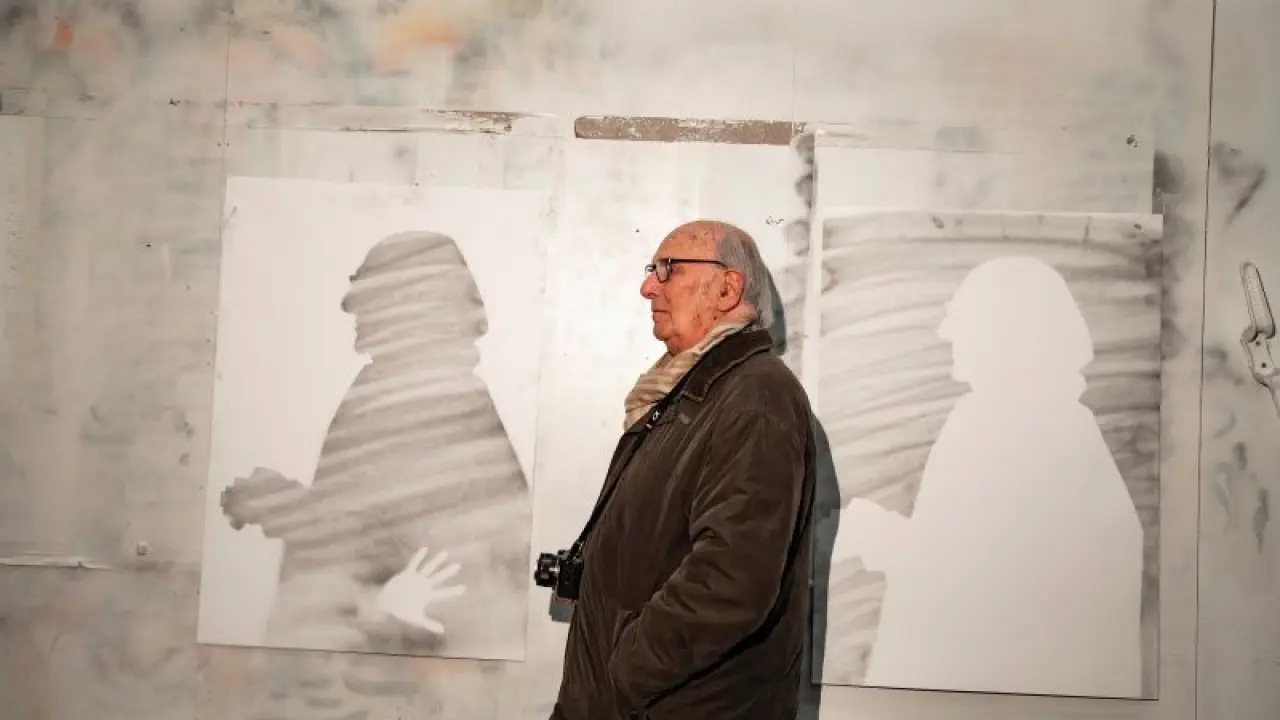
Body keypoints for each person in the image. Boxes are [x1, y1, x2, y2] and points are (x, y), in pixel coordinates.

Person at [551, 220, 818, 719]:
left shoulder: (757, 397)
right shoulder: (693, 392)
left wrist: (624, 675)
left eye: (667, 269)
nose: (647, 287)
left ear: (726, 289)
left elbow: (731, 580)